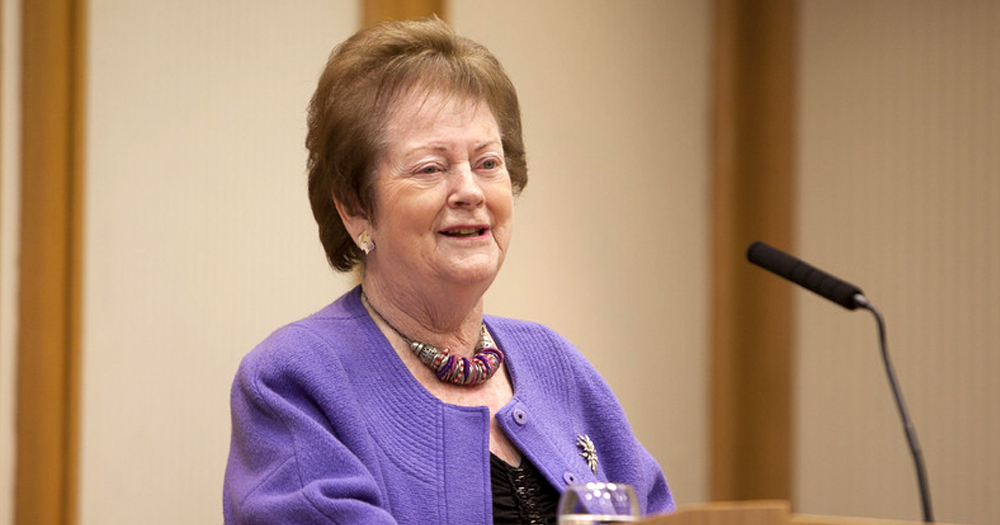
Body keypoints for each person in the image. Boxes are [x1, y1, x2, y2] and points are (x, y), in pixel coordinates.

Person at [223, 16, 675, 525]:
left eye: (487, 163)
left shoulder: (557, 366)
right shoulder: (294, 380)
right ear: (356, 209)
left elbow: (658, 512)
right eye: (430, 168)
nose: (471, 191)